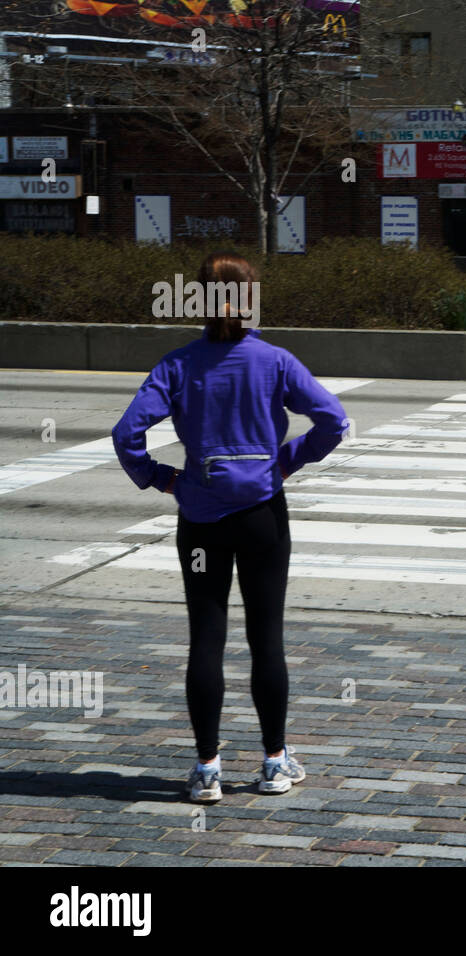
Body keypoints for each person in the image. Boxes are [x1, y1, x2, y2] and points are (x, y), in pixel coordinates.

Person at [112, 251, 350, 804]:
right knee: (266, 637)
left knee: (206, 638)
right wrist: (288, 458)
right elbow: (334, 420)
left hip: (200, 521)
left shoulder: (177, 365)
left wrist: (161, 478)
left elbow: (126, 433)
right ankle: (273, 761)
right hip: (263, 516)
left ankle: (206, 768)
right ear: (251, 300)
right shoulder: (275, 361)